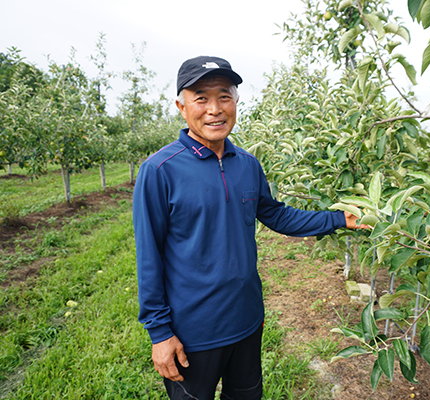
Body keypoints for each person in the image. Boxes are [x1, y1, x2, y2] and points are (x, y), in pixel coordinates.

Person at [133, 55, 366, 400]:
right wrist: (159, 333)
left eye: (224, 96)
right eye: (201, 98)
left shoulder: (247, 165)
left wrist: (338, 218)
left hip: (245, 320)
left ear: (236, 103)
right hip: (193, 331)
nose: (214, 109)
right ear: (182, 106)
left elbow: (277, 215)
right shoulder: (160, 170)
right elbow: (149, 255)